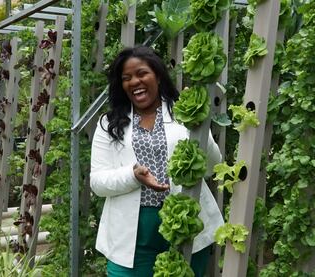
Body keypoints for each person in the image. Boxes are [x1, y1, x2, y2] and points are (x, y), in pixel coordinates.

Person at [90, 45, 224, 277]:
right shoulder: (109, 124)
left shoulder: (184, 114)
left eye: (142, 73)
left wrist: (201, 126)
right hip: (133, 233)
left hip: (186, 223)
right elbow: (98, 182)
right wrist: (133, 176)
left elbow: (212, 167)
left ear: (158, 76)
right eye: (126, 78)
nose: (135, 82)